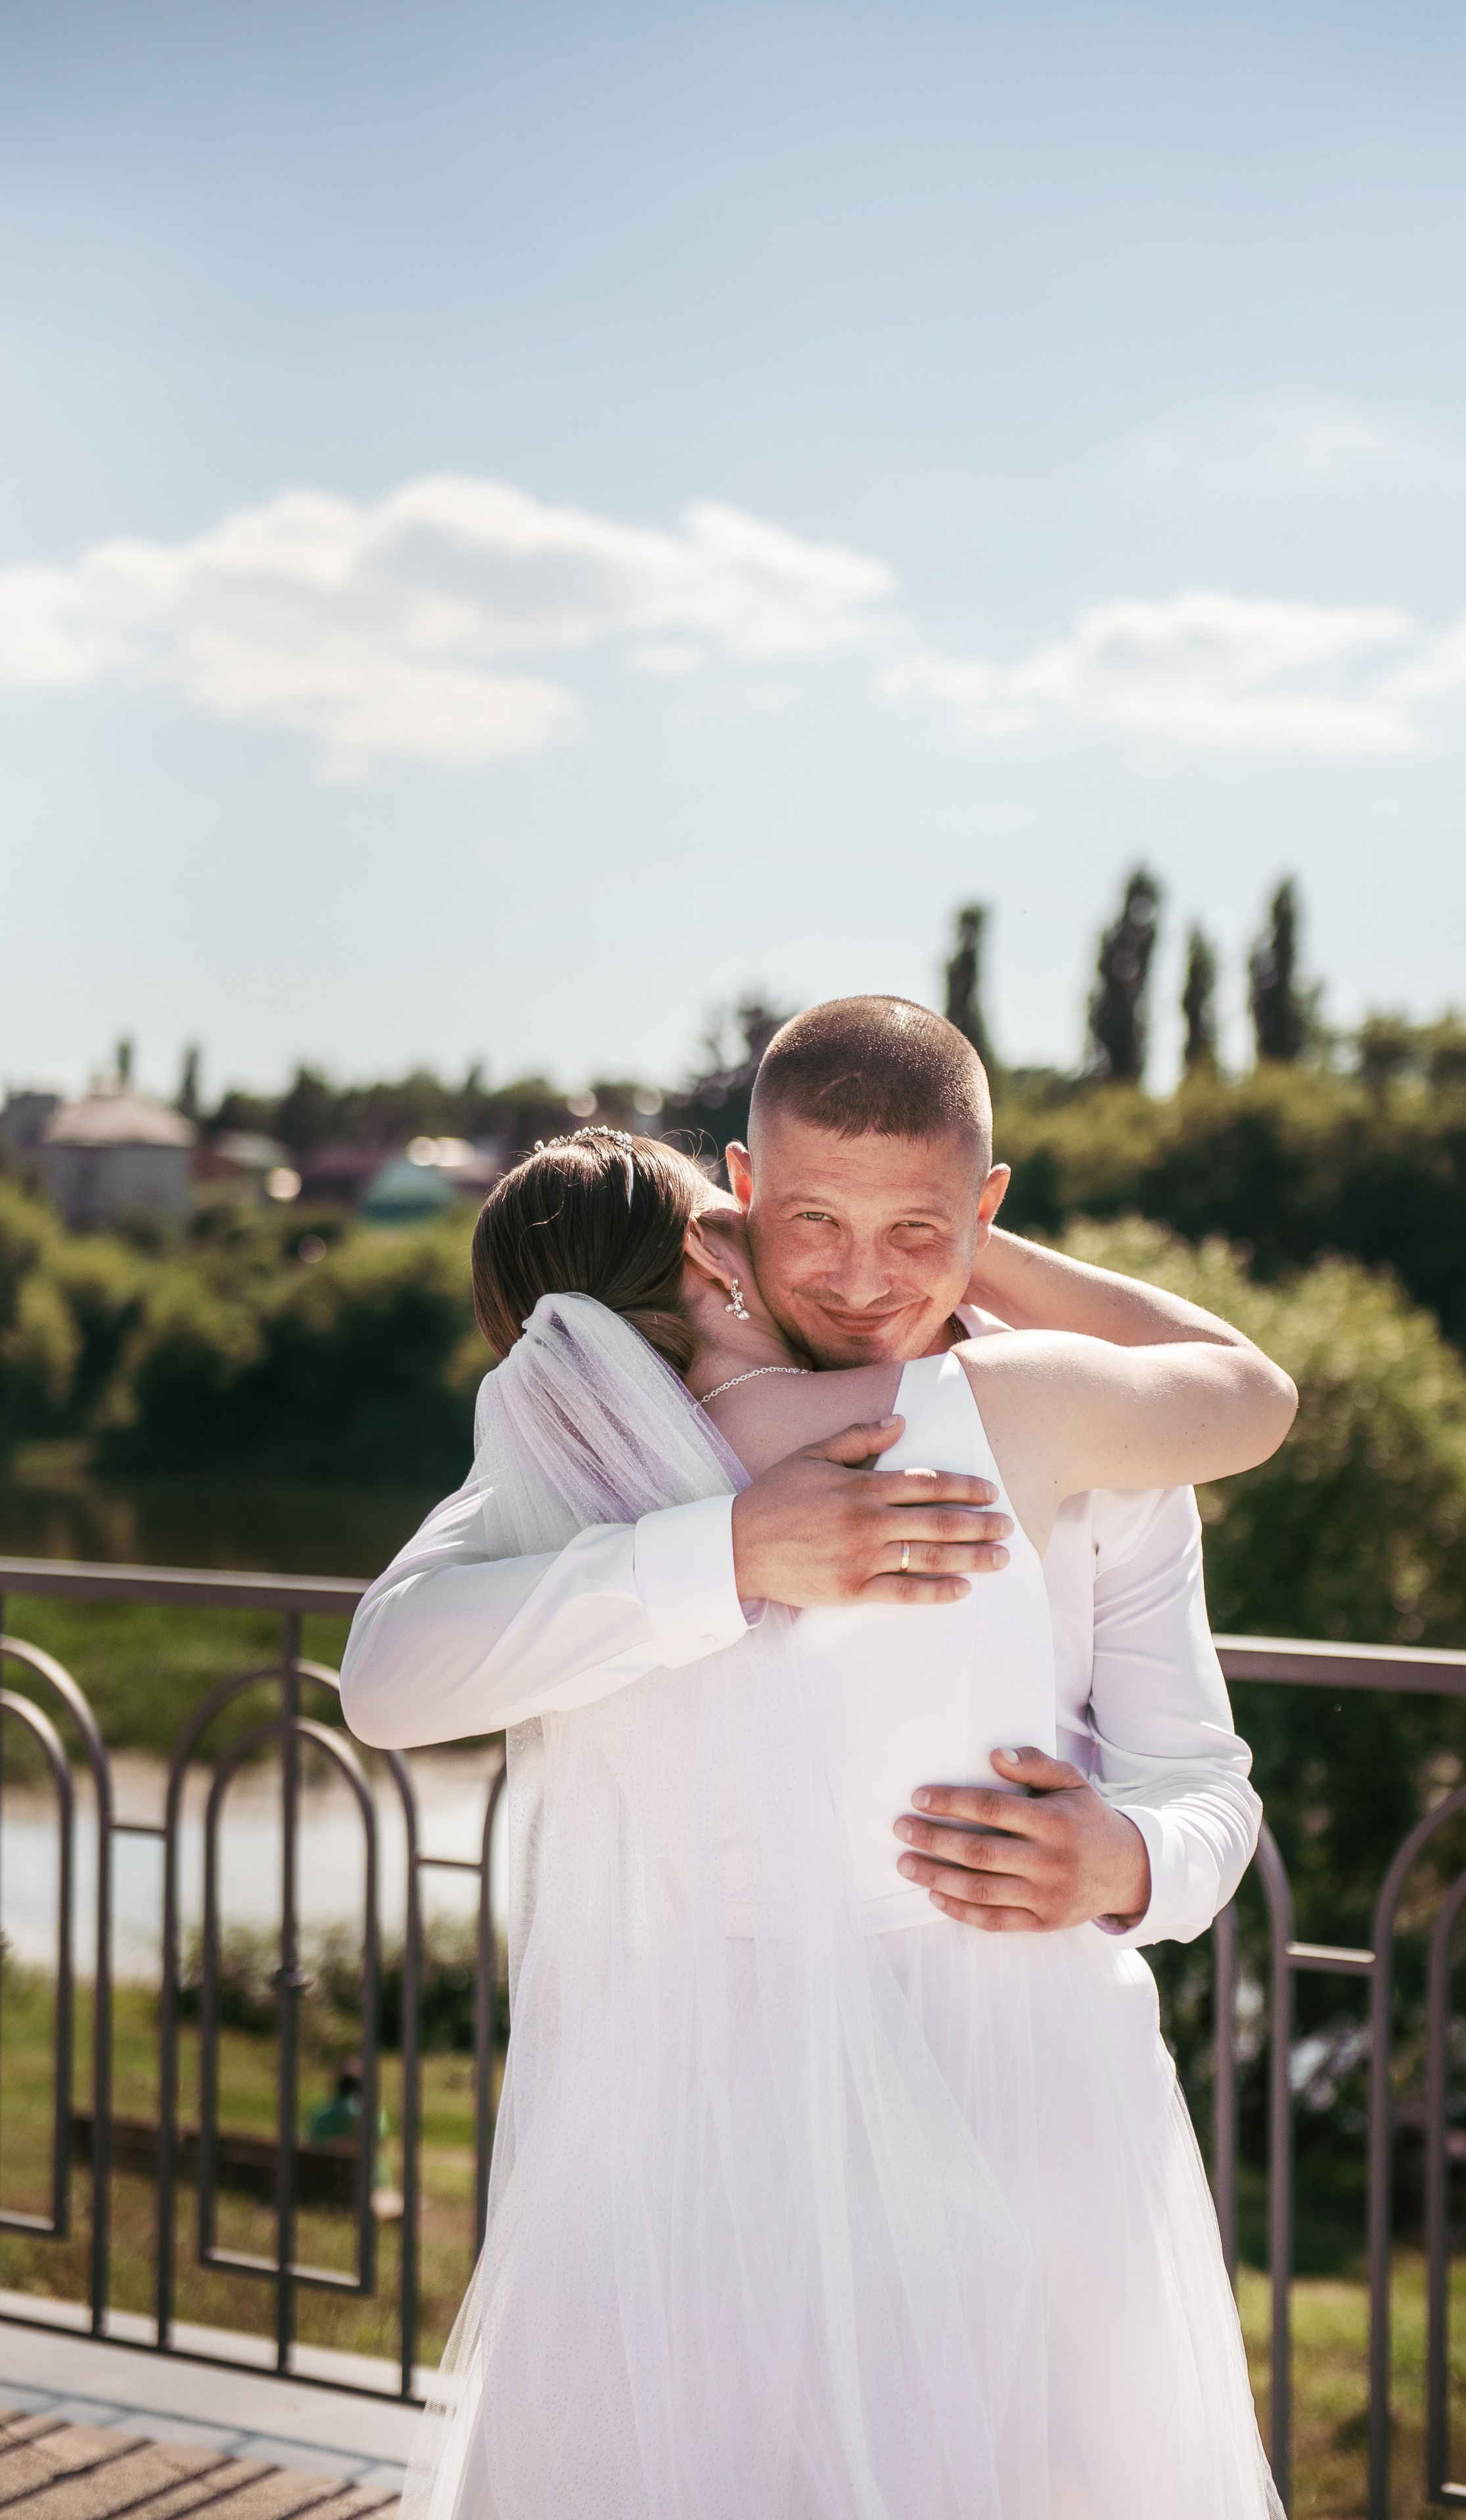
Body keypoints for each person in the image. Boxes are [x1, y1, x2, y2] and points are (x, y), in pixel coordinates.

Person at [346, 1015, 1294, 2518]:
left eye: (917, 1228)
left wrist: (1128, 1864)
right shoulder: (606, 1452)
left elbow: (1205, 1786)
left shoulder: (1081, 1425)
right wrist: (721, 1550)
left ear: (986, 1213)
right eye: (812, 1224)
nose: (861, 1282)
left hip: (1039, 2100)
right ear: (732, 1207)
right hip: (713, 2126)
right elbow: (390, 1671)